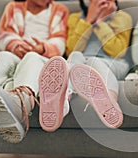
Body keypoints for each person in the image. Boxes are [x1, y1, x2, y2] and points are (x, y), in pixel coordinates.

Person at [39, 0, 132, 129]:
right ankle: (63, 101)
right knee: (74, 56)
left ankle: (110, 101)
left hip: (113, 62)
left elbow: (117, 50)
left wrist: (100, 21)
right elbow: (72, 49)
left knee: (94, 61)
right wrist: (89, 20)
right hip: (83, 63)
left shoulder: (122, 17)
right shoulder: (75, 18)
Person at [0, 0, 68, 143]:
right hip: (15, 53)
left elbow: (60, 41)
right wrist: (16, 46)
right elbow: (4, 34)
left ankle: (21, 104)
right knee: (1, 57)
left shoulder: (60, 9)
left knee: (31, 58)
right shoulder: (13, 7)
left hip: (41, 56)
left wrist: (42, 48)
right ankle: (0, 98)